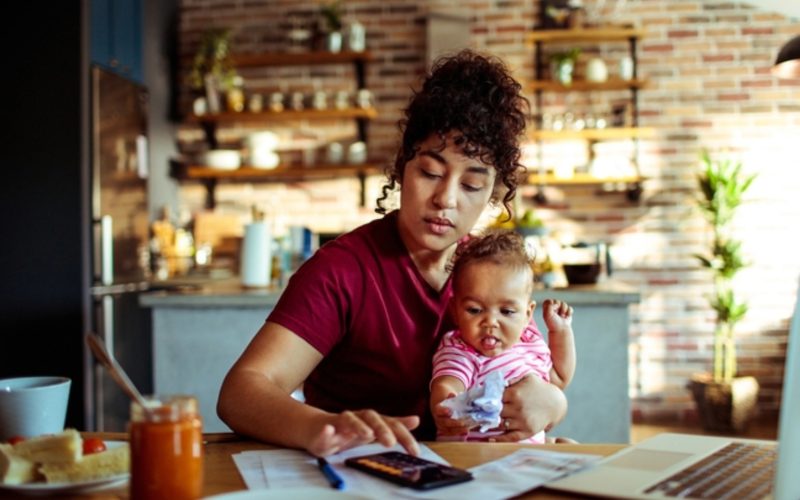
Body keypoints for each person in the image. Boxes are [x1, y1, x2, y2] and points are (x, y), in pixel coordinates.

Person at [217, 49, 568, 458]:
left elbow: (530, 373)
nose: (445, 199)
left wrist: (553, 404)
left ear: (494, 192)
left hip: (470, 474)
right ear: (403, 166)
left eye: (472, 185)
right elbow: (241, 392)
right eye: (431, 173)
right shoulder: (342, 270)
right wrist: (321, 426)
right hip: (360, 471)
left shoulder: (489, 272)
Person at [429, 230, 576, 443]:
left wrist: (560, 332)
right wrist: (445, 404)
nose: (490, 322)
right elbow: (448, 382)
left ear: (527, 314)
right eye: (475, 310)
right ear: (455, 311)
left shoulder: (529, 342)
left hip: (526, 454)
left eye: (506, 312)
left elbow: (559, 379)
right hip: (480, 456)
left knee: (569, 446)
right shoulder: (461, 349)